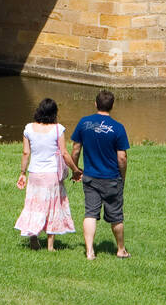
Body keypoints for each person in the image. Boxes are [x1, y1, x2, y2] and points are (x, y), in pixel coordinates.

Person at [69, 90, 130, 260]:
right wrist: (122, 176)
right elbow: (122, 157)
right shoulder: (118, 128)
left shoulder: (83, 123)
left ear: (95, 104)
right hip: (112, 178)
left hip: (90, 177)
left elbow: (75, 149)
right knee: (116, 216)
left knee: (90, 213)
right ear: (112, 106)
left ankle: (89, 252)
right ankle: (120, 250)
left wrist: (75, 169)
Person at [14, 98, 80, 251]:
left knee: (33, 205)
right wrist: (75, 169)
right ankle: (50, 246)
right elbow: (64, 153)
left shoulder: (28, 128)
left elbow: (25, 152)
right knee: (52, 207)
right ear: (54, 113)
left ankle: (33, 237)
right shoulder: (58, 129)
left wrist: (22, 173)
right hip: (51, 174)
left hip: (35, 173)